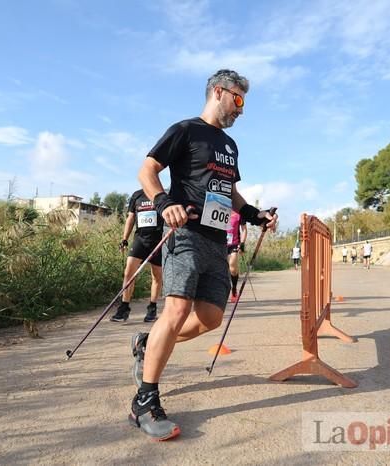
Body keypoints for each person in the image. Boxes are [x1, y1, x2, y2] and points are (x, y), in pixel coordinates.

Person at [130, 69, 278, 440]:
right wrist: (164, 203)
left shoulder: (230, 146)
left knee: (210, 318)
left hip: (216, 241)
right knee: (177, 310)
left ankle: (147, 345)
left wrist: (254, 215)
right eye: (238, 100)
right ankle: (144, 401)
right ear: (219, 91)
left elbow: (230, 193)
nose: (241, 110)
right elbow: (146, 170)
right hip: (185, 233)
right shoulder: (185, 130)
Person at [110, 189, 163, 323]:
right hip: (140, 240)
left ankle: (152, 308)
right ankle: (124, 308)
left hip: (158, 241)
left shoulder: (162, 194)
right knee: (129, 273)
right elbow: (131, 217)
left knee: (156, 275)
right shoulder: (136, 195)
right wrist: (124, 239)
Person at [226, 209, 247, 303]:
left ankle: (234, 289)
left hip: (233, 244)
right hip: (220, 244)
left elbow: (244, 229)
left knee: (233, 268)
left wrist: (242, 244)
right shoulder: (219, 209)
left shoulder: (239, 214)